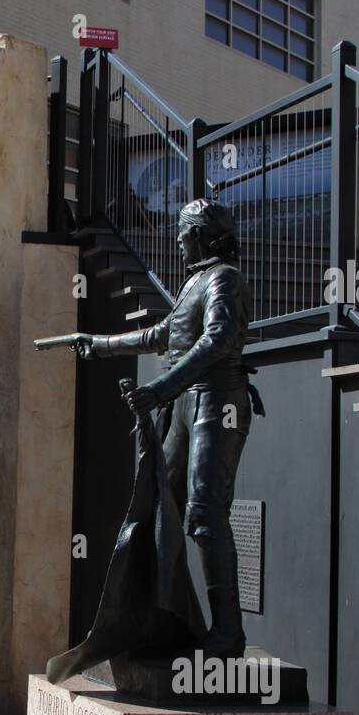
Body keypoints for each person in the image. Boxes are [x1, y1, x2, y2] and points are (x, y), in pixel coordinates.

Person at [73, 198, 260, 658]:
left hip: (216, 404)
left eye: (184, 231)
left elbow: (217, 341)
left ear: (201, 234)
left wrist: (159, 389)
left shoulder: (224, 279)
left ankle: (228, 634)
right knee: (162, 509)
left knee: (205, 515)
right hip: (185, 404)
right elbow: (161, 335)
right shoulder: (197, 281)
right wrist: (98, 345)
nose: (178, 240)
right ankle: (160, 619)